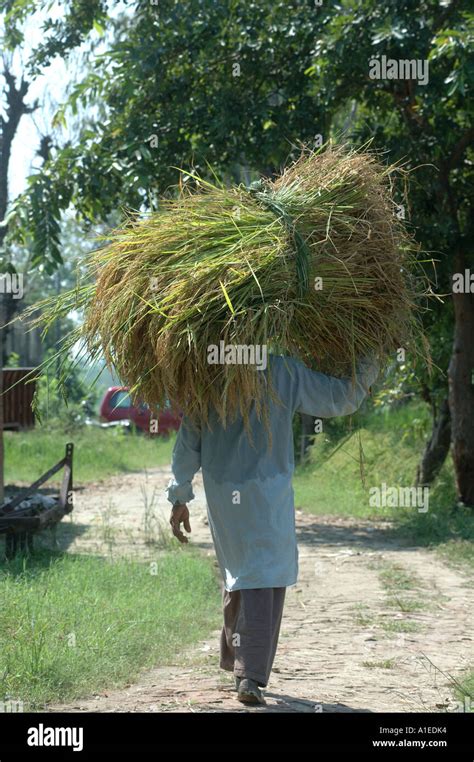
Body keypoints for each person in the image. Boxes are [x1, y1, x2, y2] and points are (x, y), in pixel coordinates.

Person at [167, 352, 379, 705]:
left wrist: (180, 496)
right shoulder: (280, 369)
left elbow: (189, 439)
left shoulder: (208, 371)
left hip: (223, 491)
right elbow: (338, 398)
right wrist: (371, 362)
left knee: (238, 572)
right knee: (263, 578)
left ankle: (238, 661)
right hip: (267, 490)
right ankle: (250, 675)